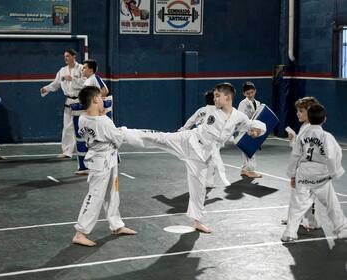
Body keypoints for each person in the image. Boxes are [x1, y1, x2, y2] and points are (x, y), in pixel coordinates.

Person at [123, 83, 266, 233]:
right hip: (189, 141)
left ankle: (197, 221)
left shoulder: (238, 117)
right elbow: (199, 118)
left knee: (199, 190)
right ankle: (122, 134)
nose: (214, 98)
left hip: (202, 156)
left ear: (228, 97)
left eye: (218, 96)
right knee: (159, 138)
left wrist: (257, 131)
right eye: (214, 95)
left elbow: (252, 124)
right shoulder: (209, 110)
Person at [72, 86, 136, 247]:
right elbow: (118, 140)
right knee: (95, 196)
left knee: (111, 194)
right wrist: (122, 130)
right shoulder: (104, 121)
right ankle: (80, 232)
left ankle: (116, 225)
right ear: (94, 99)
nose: (102, 100)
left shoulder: (82, 118)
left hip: (102, 159)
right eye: (100, 98)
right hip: (103, 162)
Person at [281, 104, 347, 242]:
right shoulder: (326, 136)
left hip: (304, 174)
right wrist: (334, 172)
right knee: (332, 204)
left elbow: (295, 156)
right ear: (325, 119)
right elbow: (332, 155)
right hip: (321, 176)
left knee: (297, 205)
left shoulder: (302, 135)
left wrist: (292, 175)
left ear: (309, 118)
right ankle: (342, 229)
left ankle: (289, 233)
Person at [281, 96, 322, 230]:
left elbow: (300, 154)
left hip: (307, 170)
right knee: (302, 196)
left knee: (301, 197)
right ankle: (304, 220)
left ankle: (305, 221)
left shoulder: (309, 128)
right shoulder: (308, 127)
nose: (298, 113)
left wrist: (293, 175)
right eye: (297, 111)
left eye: (301, 111)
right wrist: (293, 140)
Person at [40, 49, 84, 158]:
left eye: (68, 56)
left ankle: (91, 150)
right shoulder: (62, 71)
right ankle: (67, 152)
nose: (66, 58)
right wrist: (46, 89)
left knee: (84, 126)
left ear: (74, 57)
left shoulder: (82, 68)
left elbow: (86, 83)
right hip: (69, 101)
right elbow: (56, 84)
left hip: (81, 101)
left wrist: (72, 79)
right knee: (67, 127)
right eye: (65, 56)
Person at [237, 81, 262, 178]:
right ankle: (250, 171)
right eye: (247, 93)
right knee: (249, 152)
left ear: (255, 91)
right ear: (244, 94)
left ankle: (244, 170)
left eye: (252, 92)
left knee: (249, 151)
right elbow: (239, 118)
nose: (250, 95)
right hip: (245, 131)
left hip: (254, 130)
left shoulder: (258, 103)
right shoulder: (242, 104)